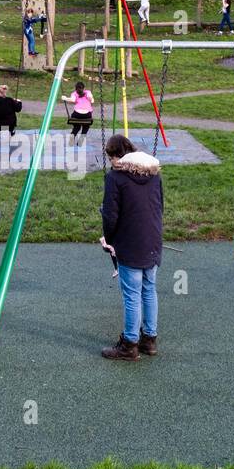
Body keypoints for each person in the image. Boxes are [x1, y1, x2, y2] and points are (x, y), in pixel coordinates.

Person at [100, 135, 164, 361]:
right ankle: (150, 338)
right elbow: (160, 206)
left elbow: (110, 214)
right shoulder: (154, 176)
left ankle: (129, 344)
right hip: (152, 240)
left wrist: (109, 239)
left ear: (115, 156)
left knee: (131, 294)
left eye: (110, 158)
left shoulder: (115, 178)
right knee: (149, 289)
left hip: (130, 242)